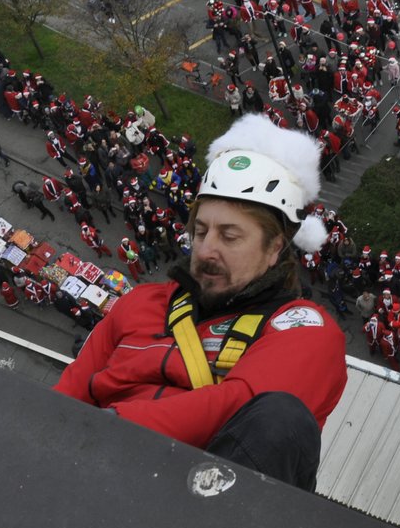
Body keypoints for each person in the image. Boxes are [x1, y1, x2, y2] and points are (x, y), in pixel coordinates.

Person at [55, 116, 348, 491]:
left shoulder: (306, 330)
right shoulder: (140, 303)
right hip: (81, 471)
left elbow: (242, 407)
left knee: (280, 418)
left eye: (230, 236)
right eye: (201, 231)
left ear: (275, 248)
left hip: (196, 497)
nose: (207, 250)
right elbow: (72, 389)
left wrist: (102, 432)